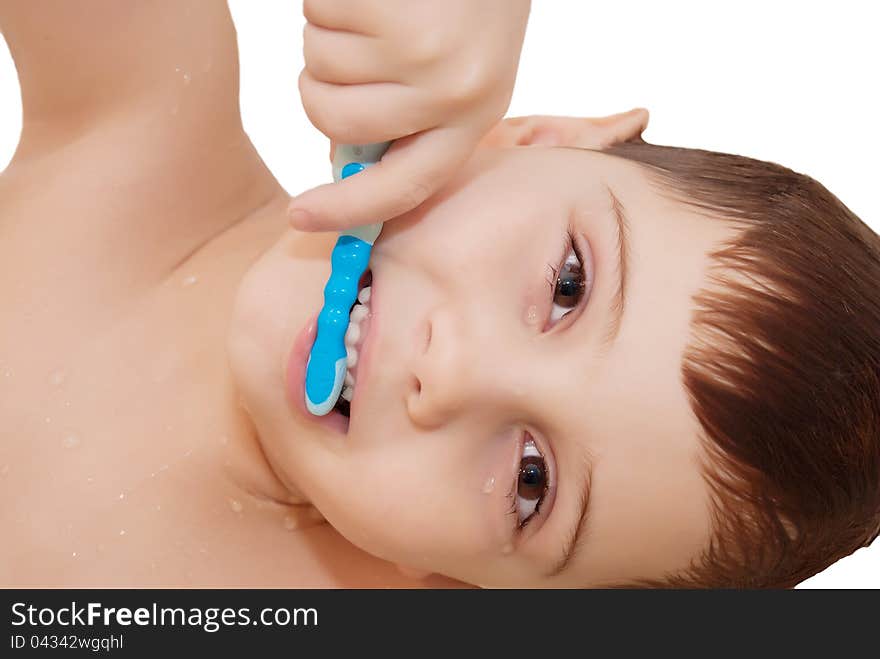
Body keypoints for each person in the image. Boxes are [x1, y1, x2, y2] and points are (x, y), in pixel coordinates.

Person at [2, 0, 877, 588]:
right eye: (568, 284)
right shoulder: (142, 112)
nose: (453, 372)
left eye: (532, 481)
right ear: (534, 137)